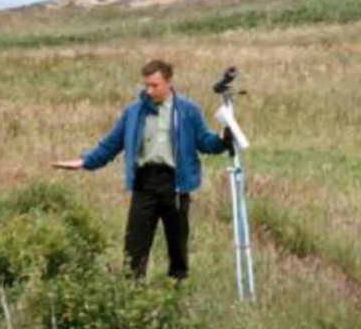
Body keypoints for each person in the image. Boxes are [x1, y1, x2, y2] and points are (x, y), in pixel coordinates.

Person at [53, 59, 231, 280]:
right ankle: (133, 294)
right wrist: (84, 161)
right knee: (134, 246)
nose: (149, 90)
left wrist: (223, 139)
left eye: (154, 85)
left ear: (169, 82)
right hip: (144, 183)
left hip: (175, 183)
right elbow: (111, 145)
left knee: (177, 244)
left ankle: (176, 291)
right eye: (146, 85)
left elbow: (205, 142)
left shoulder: (188, 111)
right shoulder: (134, 112)